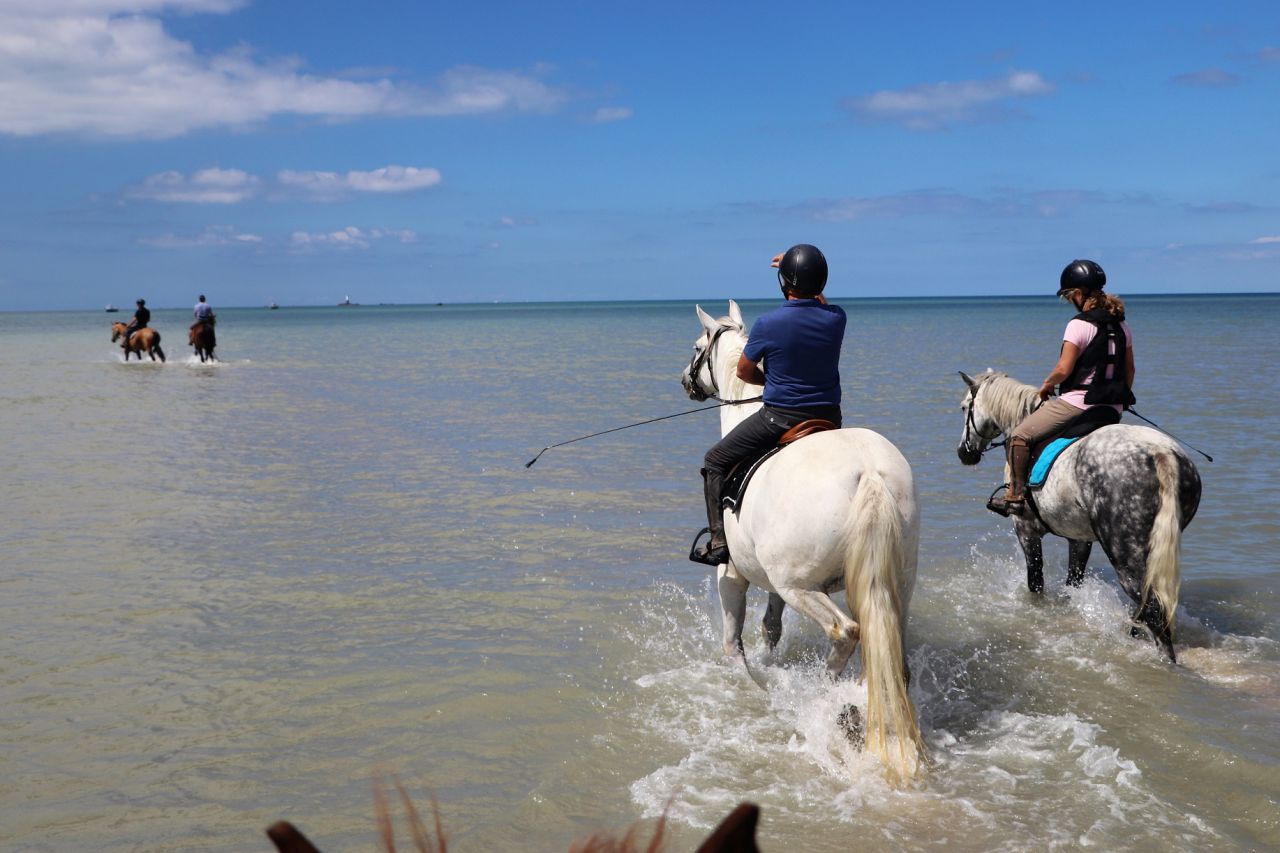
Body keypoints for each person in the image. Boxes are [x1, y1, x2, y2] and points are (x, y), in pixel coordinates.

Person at [690, 244, 846, 566]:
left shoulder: (768, 324)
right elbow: (820, 303)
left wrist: (773, 383)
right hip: (830, 417)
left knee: (715, 459)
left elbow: (743, 371)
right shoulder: (836, 318)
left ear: (784, 283)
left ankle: (719, 541)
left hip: (781, 419)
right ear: (822, 283)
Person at [987, 259, 1136, 517]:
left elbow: (1063, 369)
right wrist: (1118, 402)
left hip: (1078, 404)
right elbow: (1130, 371)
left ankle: (1014, 496)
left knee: (1019, 436)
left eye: (1069, 297)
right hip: (1112, 409)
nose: (1069, 302)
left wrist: (1046, 386)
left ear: (1079, 294)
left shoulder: (1078, 324)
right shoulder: (1122, 325)